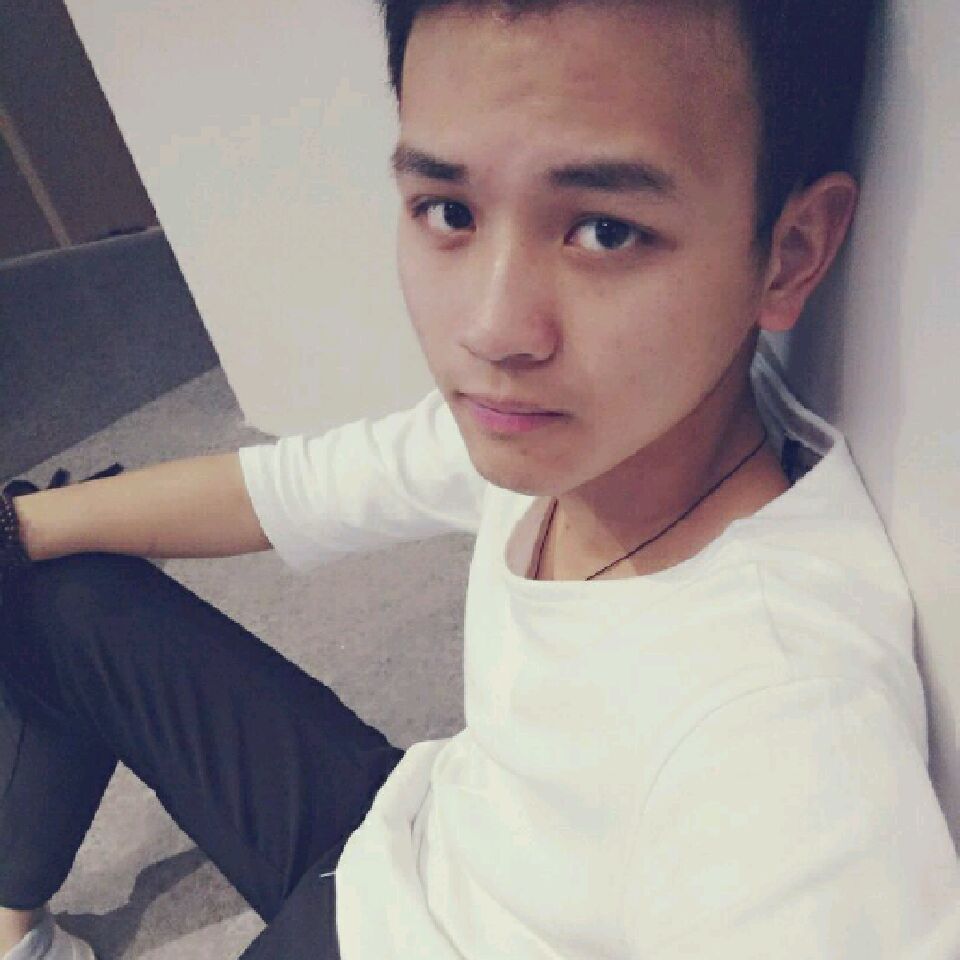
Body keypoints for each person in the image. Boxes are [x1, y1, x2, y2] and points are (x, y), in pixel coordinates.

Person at [1, 0, 958, 957]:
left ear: (790, 254)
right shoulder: (589, 436)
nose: (493, 329)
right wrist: (12, 527)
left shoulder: (783, 736)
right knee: (50, 574)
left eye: (606, 230)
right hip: (409, 840)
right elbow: (294, 487)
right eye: (450, 211)